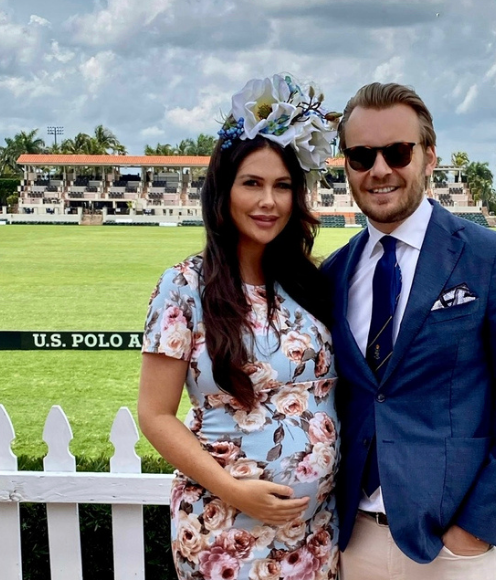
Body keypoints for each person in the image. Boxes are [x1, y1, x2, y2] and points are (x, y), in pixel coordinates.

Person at [321, 82, 496, 579]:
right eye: (362, 155)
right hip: (353, 542)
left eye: (397, 151)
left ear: (429, 157)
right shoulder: (334, 274)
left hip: (453, 552)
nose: (380, 169)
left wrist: (474, 530)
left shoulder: (491, 259)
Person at [138, 73, 343, 580]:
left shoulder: (310, 284)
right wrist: (235, 490)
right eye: (252, 183)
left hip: (314, 532)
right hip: (224, 529)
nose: (267, 202)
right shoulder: (184, 286)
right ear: (223, 190)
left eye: (282, 186)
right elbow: (155, 414)